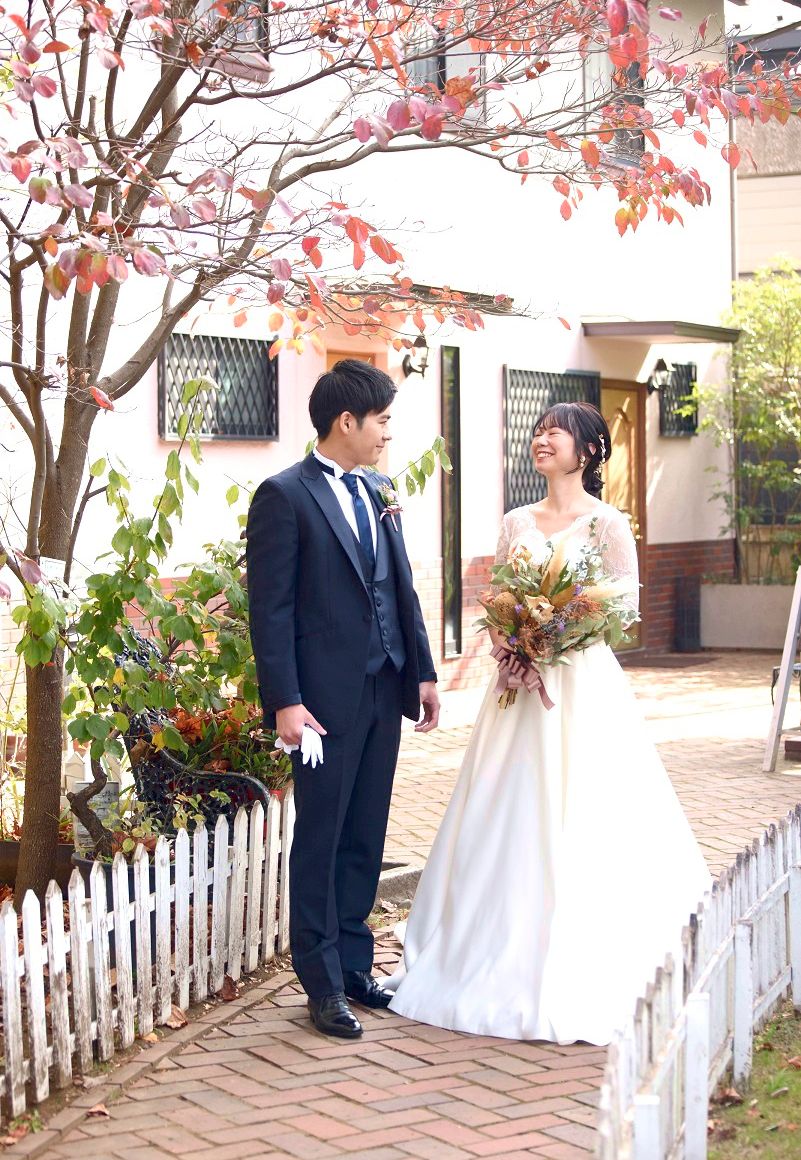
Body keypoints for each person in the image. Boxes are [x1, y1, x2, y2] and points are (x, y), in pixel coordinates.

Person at [385, 401, 711, 1045]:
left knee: (586, 804)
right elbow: (499, 597)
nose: (542, 439)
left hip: (582, 685)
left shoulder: (608, 523)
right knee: (507, 802)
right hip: (518, 688)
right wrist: (514, 641)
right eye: (537, 432)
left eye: (555, 432)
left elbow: (624, 608)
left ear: (586, 451)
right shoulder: (516, 521)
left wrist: (559, 634)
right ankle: (485, 942)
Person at [246, 359, 440, 1040]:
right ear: (346, 421)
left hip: (384, 685)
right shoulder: (283, 495)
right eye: (381, 420)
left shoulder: (380, 487)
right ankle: (321, 982)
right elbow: (269, 609)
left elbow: (399, 586)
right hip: (322, 703)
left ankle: (356, 966)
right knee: (321, 838)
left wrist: (421, 671)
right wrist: (285, 701)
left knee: (365, 832)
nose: (388, 432)